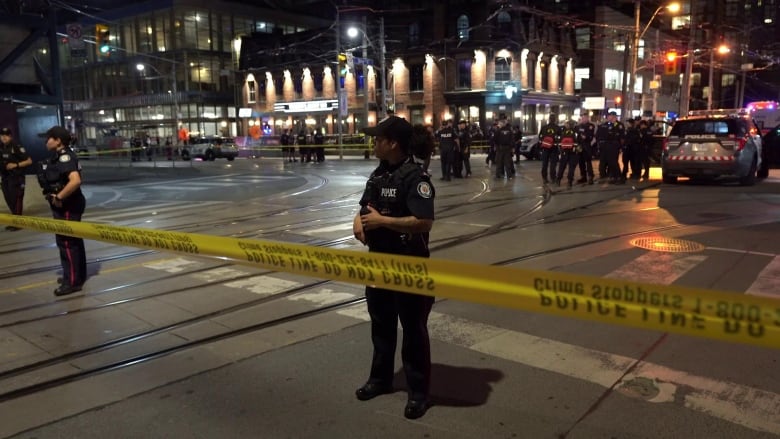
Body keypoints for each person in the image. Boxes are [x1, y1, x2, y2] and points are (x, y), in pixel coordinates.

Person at [353, 115, 436, 420]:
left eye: (378, 138)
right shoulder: (378, 175)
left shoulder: (415, 178)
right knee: (381, 326)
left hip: (409, 265)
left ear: (392, 143)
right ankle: (380, 379)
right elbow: (365, 205)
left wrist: (381, 221)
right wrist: (358, 220)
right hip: (378, 264)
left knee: (413, 331)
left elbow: (424, 221)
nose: (373, 142)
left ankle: (418, 394)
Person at [36, 126, 87, 296]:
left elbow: (75, 181)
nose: (46, 141)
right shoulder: (60, 156)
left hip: (68, 205)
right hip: (70, 204)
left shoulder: (65, 156)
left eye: (49, 138)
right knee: (74, 241)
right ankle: (77, 276)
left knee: (66, 242)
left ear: (57, 141)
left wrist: (59, 197)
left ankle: (71, 282)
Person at [1, 127, 33, 231]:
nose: (4, 137)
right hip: (5, 178)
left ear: (10, 136)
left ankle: (18, 223)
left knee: (17, 200)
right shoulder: (1, 147)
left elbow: (29, 161)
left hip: (17, 178)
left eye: (6, 135)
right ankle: (14, 221)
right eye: (2, 135)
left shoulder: (16, 147)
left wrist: (16, 165)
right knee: (9, 200)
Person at [596, 111, 626, 184]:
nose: (609, 117)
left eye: (611, 116)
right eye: (609, 116)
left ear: (614, 117)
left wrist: (621, 147)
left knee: (614, 162)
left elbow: (622, 137)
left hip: (614, 146)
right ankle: (611, 177)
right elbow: (599, 134)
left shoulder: (619, 125)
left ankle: (619, 177)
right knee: (606, 162)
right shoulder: (605, 124)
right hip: (605, 146)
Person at [538, 114, 561, 184]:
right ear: (555, 119)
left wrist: (544, 141)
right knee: (553, 164)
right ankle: (553, 178)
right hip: (554, 148)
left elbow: (540, 136)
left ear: (549, 119)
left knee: (544, 164)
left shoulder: (544, 127)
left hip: (545, 147)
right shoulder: (557, 128)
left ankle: (544, 178)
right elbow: (560, 138)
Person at [555, 120, 578, 188]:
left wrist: (561, 150)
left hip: (564, 151)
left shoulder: (563, 132)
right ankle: (569, 181)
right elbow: (578, 142)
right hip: (573, 152)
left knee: (562, 166)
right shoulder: (575, 132)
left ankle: (558, 180)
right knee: (571, 167)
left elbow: (559, 142)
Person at [576, 114, 596, 185]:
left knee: (588, 162)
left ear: (587, 118)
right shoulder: (579, 126)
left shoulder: (590, 126)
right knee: (581, 162)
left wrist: (586, 137)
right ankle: (583, 176)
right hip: (580, 146)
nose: (583, 119)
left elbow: (591, 135)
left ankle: (590, 176)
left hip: (587, 146)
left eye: (584, 118)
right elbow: (577, 135)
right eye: (582, 118)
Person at [493, 114, 515, 180]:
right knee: (507, 162)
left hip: (500, 148)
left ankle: (498, 175)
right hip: (507, 148)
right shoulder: (509, 130)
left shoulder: (498, 131)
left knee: (499, 162)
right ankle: (509, 176)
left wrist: (496, 146)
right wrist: (512, 147)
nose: (499, 124)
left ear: (502, 124)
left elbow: (495, 139)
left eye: (500, 123)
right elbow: (512, 140)